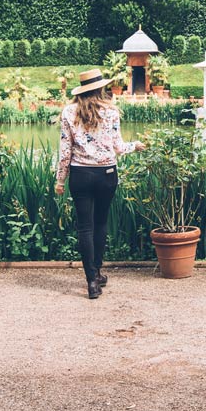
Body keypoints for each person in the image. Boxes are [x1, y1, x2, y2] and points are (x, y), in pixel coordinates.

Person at [54, 69, 139, 299]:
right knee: (101, 223)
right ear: (100, 88)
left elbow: (65, 152)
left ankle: (91, 281)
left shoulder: (69, 112)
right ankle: (98, 271)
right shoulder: (111, 112)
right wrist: (136, 145)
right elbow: (119, 147)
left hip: (80, 175)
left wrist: (60, 179)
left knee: (85, 227)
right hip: (106, 174)